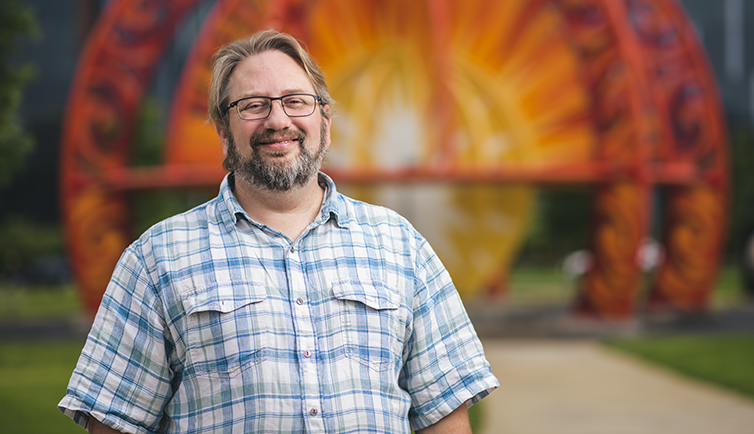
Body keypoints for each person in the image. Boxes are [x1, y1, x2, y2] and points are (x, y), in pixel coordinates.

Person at [59, 30, 499, 434]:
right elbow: (114, 423)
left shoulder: (400, 246)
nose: (277, 119)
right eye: (253, 105)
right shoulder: (157, 258)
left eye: (295, 101)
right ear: (222, 129)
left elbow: (445, 415)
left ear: (324, 119)